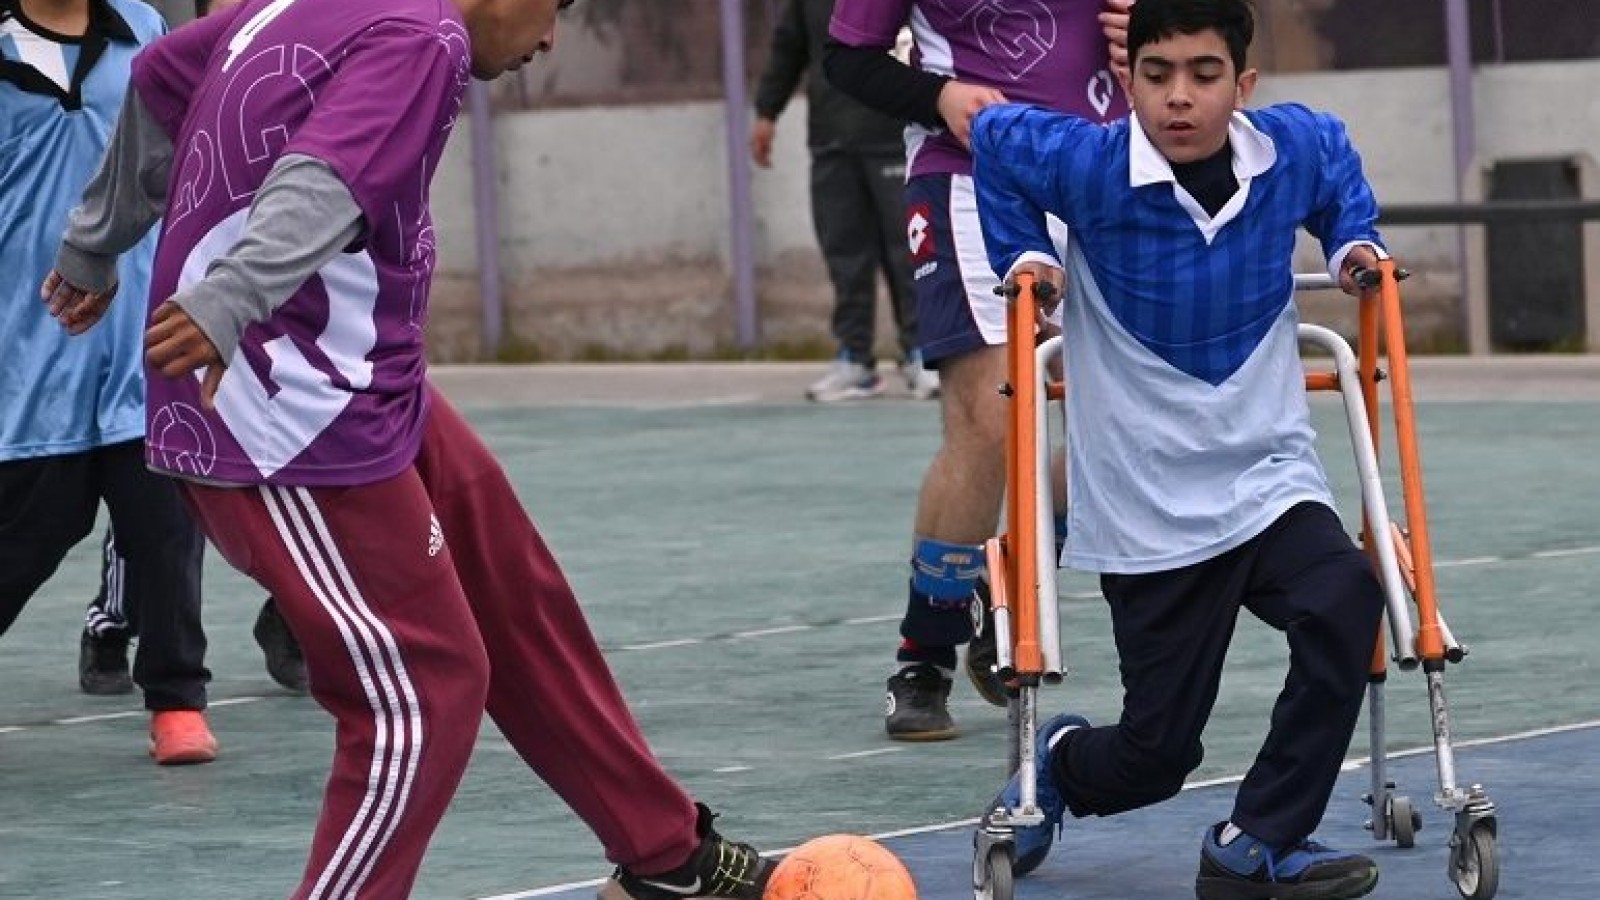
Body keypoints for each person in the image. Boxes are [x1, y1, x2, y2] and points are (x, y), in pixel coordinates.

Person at [43, 0, 773, 896]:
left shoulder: (304, 4)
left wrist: (92, 249)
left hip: (366, 379)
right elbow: (329, 179)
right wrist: (230, 295)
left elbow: (160, 77)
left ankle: (664, 855)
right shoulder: (428, 35)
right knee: (421, 694)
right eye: (555, 13)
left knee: (511, 580)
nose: (548, 42)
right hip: (288, 417)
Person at [968, 1, 1387, 897]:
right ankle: (1067, 762)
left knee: (1349, 592)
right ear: (1130, 80)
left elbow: (1337, 166)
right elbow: (996, 139)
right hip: (1146, 501)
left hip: (1268, 477)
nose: (1178, 98)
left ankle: (1257, 840)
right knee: (1156, 755)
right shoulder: (1086, 162)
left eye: (1203, 75)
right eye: (1156, 75)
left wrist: (1355, 241)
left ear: (1244, 84)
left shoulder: (1293, 148)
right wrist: (1026, 254)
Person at [824, 0, 1132, 739]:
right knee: (991, 423)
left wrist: (1155, 27)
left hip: (1108, 163)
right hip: (971, 176)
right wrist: (936, 96)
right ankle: (924, 653)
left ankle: (1011, 592)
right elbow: (847, 56)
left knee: (1122, 422)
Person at [0, 0, 217, 765]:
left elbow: (180, 152)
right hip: (28, 361)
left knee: (164, 533)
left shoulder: (145, 31)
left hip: (139, 346)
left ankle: (177, 703)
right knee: (31, 532)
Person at [77, 0, 305, 698]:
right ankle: (118, 617)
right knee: (169, 470)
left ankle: (294, 616)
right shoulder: (181, 46)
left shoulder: (333, 52)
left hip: (291, 276)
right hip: (194, 271)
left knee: (306, 452)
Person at [750, 0, 936, 402]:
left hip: (893, 139)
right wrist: (766, 112)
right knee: (844, 254)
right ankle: (855, 359)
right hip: (831, 141)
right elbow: (788, 48)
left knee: (909, 252)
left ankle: (923, 352)